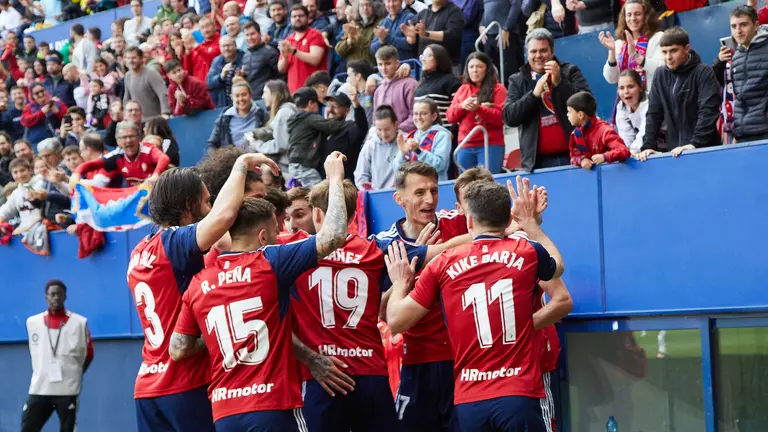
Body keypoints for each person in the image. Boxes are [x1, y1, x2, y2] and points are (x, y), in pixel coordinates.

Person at [168, 153, 350, 431]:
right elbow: (334, 236)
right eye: (276, 233)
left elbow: (179, 348)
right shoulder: (270, 262)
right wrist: (335, 178)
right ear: (263, 237)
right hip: (273, 406)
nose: (280, 238)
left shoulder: (198, 283)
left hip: (225, 412)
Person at [385, 177, 568, 432]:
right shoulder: (526, 251)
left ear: (468, 221)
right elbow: (557, 266)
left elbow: (395, 320)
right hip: (518, 392)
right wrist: (530, 224)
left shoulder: (444, 262)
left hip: (471, 399)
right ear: (507, 222)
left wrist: (400, 283)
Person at [126, 151, 279, 432]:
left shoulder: (138, 252)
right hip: (184, 384)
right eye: (207, 201)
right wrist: (241, 166)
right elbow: (223, 217)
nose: (210, 208)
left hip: (147, 388)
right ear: (188, 206)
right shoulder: (174, 243)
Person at [372, 161, 472, 431]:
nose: (429, 200)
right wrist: (415, 267)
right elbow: (381, 313)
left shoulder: (461, 224)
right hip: (417, 361)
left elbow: (490, 233)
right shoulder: (384, 244)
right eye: (419, 193)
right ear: (399, 198)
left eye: (434, 191)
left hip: (463, 360)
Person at [503, 28, 591, 171]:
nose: (538, 55)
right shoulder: (517, 80)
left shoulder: (570, 71)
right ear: (527, 53)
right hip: (537, 163)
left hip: (575, 157)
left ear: (552, 51)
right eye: (533, 51)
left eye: (543, 50)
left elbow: (587, 105)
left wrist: (559, 82)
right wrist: (534, 95)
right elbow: (510, 117)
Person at [636, 27, 720, 161]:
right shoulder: (660, 74)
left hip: (705, 150)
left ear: (687, 48)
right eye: (664, 52)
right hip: (674, 153)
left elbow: (708, 111)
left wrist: (695, 144)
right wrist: (647, 146)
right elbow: (654, 113)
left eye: (673, 51)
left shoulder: (704, 72)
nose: (668, 57)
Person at [21, 280, 94, 432]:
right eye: (52, 294)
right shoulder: (32, 323)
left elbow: (88, 354)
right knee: (28, 426)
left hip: (67, 390)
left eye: (59, 294)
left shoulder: (79, 323)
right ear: (46, 297)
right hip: (40, 388)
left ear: (65, 296)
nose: (56, 298)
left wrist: (74, 374)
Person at [447, 52, 506, 173]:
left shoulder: (498, 89)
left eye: (479, 67)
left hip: (490, 144)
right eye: (471, 67)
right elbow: (450, 117)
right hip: (465, 144)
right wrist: (462, 106)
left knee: (488, 184)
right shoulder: (462, 89)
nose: (475, 70)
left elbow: (502, 118)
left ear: (487, 69)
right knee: (466, 186)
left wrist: (479, 109)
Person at [72, 121, 171, 187]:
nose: (128, 141)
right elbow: (92, 164)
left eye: (131, 136)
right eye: (124, 137)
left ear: (139, 138)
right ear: (118, 141)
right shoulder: (117, 156)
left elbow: (164, 158)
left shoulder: (147, 149)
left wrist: (155, 175)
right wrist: (76, 173)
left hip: (162, 191)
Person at [286, 87, 347, 187]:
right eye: (317, 104)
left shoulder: (295, 119)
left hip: (295, 164)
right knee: (319, 194)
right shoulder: (309, 118)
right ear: (311, 103)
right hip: (304, 165)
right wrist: (348, 122)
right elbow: (332, 127)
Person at [599, 0, 663, 91]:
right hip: (628, 100)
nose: (633, 18)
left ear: (646, 16)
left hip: (651, 99)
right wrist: (612, 53)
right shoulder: (619, 44)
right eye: (629, 15)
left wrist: (636, 55)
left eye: (637, 14)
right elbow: (611, 78)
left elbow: (662, 69)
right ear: (624, 18)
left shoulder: (658, 38)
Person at [730, 5, 768, 143]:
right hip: (743, 134)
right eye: (733, 26)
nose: (738, 31)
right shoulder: (736, 56)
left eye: (743, 25)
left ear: (756, 25)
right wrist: (737, 131)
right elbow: (739, 97)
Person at [566, 91, 630, 169]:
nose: (567, 115)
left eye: (569, 112)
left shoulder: (605, 131)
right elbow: (573, 157)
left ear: (580, 115)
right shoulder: (575, 134)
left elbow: (623, 150)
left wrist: (605, 157)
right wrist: (582, 160)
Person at [247, 80, 295, 179]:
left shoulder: (284, 112)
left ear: (274, 94)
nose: (262, 96)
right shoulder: (285, 110)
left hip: (288, 170)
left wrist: (257, 144)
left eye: (265, 92)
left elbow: (281, 145)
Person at [393, 98, 452, 180]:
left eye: (423, 113)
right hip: (413, 186)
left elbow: (439, 165)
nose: (419, 117)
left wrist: (418, 151)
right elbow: (397, 170)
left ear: (434, 116)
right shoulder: (411, 136)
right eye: (415, 114)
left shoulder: (442, 135)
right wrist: (403, 154)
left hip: (434, 187)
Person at [278, 5, 329, 93]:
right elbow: (281, 69)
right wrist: (285, 57)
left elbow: (315, 59)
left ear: (308, 18)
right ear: (290, 19)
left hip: (314, 90)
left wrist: (293, 51)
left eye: (301, 16)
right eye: (294, 16)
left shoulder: (315, 34)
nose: (297, 18)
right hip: (295, 91)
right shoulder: (288, 40)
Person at [401, 0, 465, 70]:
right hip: (424, 66)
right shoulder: (424, 13)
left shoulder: (455, 12)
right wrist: (411, 37)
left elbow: (451, 35)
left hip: (447, 67)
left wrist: (427, 34)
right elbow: (411, 39)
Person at [208, 78, 269, 149]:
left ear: (250, 95)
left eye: (244, 95)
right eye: (237, 96)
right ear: (232, 98)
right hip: (233, 159)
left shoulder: (262, 116)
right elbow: (212, 143)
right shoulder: (224, 118)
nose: (241, 99)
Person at [354, 105, 401, 190]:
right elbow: (360, 175)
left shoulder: (406, 142)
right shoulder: (370, 145)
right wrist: (370, 191)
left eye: (387, 129)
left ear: (395, 125)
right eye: (379, 129)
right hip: (376, 194)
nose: (383, 134)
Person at [322, 92, 368, 180]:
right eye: (328, 105)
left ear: (347, 111)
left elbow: (361, 128)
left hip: (343, 184)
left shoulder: (350, 128)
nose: (330, 109)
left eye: (335, 105)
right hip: (324, 184)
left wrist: (356, 105)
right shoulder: (322, 128)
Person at [414, 44, 461, 129]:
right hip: (425, 138)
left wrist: (451, 133)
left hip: (446, 135)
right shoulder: (420, 85)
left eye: (428, 56)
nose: (423, 59)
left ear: (440, 58)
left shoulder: (451, 82)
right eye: (422, 56)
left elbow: (459, 111)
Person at [479, 0, 524, 86]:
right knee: (490, 72)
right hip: (488, 35)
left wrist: (507, 27)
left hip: (504, 34)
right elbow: (486, 10)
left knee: (508, 72)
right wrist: (481, 25)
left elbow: (516, 5)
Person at [373, 46, 417, 133]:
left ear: (397, 63)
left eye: (388, 63)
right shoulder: (378, 90)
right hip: (382, 138)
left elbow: (415, 115)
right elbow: (375, 119)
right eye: (380, 64)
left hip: (405, 136)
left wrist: (396, 129)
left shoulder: (410, 84)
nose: (384, 68)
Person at [123, 47, 170, 120]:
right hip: (138, 122)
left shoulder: (151, 73)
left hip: (155, 120)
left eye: (134, 58)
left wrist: (165, 113)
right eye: (128, 58)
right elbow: (127, 98)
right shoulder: (127, 76)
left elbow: (163, 93)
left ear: (141, 59)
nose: (130, 61)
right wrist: (126, 116)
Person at [335, 0, 382, 66]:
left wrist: (359, 37)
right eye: (362, 5)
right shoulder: (353, 24)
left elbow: (376, 50)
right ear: (358, 8)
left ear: (374, 7)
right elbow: (339, 51)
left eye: (368, 5)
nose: (365, 8)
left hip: (371, 69)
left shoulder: (380, 23)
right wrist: (349, 41)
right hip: (352, 70)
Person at [242, 21, 279, 100]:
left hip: (268, 98)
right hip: (252, 99)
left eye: (252, 34)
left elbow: (281, 76)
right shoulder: (245, 55)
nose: (250, 38)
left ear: (260, 34)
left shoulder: (270, 52)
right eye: (247, 35)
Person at [614, 69, 649, 154]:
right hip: (642, 150)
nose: (626, 91)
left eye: (631, 87)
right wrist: (624, 152)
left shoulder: (649, 102)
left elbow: (644, 133)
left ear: (640, 87)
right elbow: (625, 136)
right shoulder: (621, 106)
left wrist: (631, 152)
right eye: (621, 88)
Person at [206, 36, 245, 108]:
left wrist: (242, 77)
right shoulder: (217, 61)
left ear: (235, 45)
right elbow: (209, 83)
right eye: (223, 46)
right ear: (220, 48)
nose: (226, 48)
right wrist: (221, 76)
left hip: (242, 101)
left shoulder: (244, 58)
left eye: (229, 45)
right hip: (223, 103)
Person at [184, 17, 222, 83]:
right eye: (202, 28)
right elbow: (187, 70)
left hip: (214, 86)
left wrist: (194, 44)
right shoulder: (199, 46)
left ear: (214, 26)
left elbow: (210, 58)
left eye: (208, 26)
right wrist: (188, 52)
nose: (205, 30)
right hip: (199, 89)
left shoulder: (221, 41)